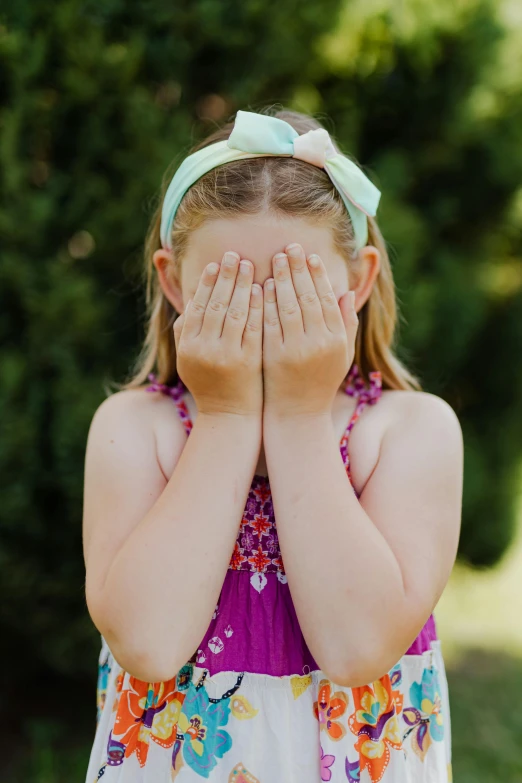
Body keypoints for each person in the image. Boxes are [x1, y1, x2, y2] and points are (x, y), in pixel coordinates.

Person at [82, 109, 463, 783]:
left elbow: (356, 647)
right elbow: (147, 641)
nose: (264, 317)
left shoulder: (411, 431)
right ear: (174, 284)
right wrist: (227, 415)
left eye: (298, 292)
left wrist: (297, 414)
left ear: (358, 282)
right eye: (228, 292)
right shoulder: (136, 428)